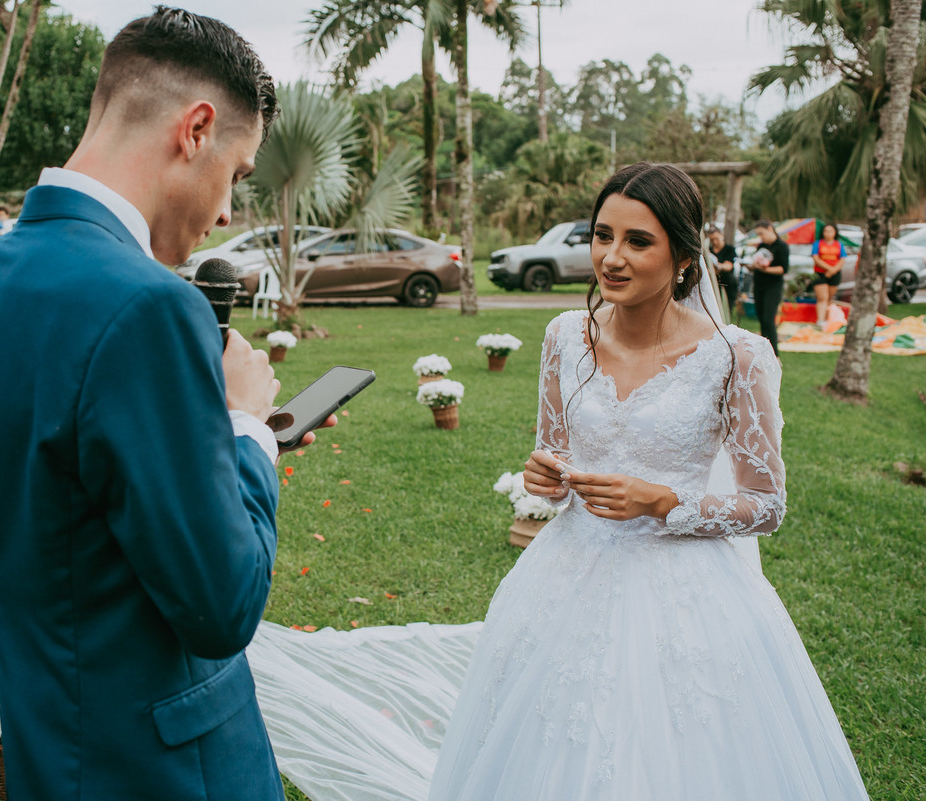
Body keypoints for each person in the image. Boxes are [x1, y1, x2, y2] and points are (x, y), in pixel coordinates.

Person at [243, 164, 870, 801]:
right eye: (603, 235)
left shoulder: (737, 357)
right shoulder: (565, 337)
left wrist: (664, 501)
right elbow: (554, 453)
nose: (612, 258)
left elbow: (766, 503)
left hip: (688, 594)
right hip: (569, 572)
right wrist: (546, 474)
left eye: (638, 241)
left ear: (684, 256)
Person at [0, 8, 317, 800]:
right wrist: (249, 428)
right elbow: (222, 604)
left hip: (55, 741)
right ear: (197, 129)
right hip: (166, 765)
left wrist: (204, 442)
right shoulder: (149, 305)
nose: (224, 214)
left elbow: (73, 489)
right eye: (238, 175)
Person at [749, 219, 788, 358]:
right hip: (759, 284)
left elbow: (783, 269)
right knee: (761, 317)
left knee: (768, 318)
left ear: (770, 229)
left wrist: (766, 269)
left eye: (762, 233)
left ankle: (775, 354)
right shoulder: (761, 245)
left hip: (773, 286)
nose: (761, 237)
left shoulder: (782, 246)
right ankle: (764, 350)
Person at [811, 222, 847, 325]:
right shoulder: (818, 243)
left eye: (831, 231)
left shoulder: (839, 244)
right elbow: (816, 258)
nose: (828, 233)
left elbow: (842, 259)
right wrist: (829, 269)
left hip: (835, 274)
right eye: (826, 231)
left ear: (835, 232)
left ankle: (828, 319)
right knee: (822, 297)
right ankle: (820, 320)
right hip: (820, 273)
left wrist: (833, 271)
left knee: (829, 298)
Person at [707, 225, 738, 320]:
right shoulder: (709, 250)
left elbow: (729, 265)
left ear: (722, 235)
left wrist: (719, 266)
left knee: (726, 311)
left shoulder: (730, 249)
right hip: (713, 284)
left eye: (716, 238)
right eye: (712, 240)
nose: (715, 242)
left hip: (727, 284)